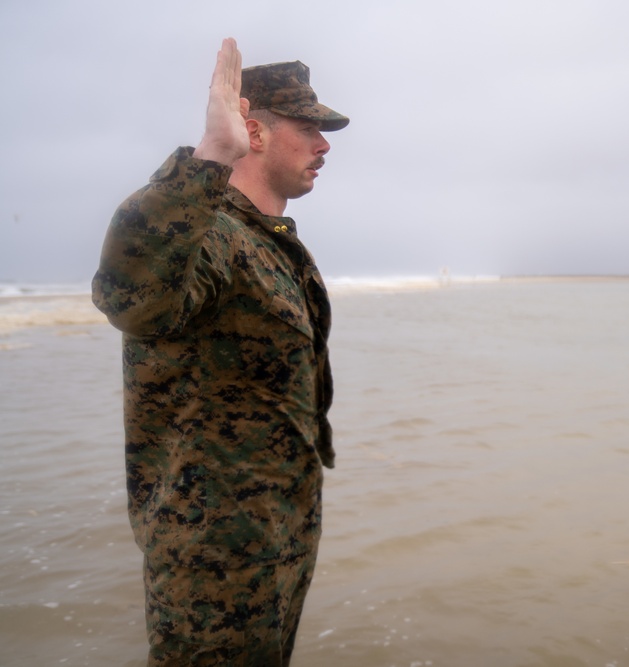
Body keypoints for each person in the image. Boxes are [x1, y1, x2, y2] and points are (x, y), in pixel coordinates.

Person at [92, 38, 349, 666]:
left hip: (273, 545)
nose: (324, 145)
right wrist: (209, 155)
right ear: (254, 133)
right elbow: (133, 295)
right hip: (213, 564)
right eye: (308, 128)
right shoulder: (211, 237)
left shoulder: (268, 241)